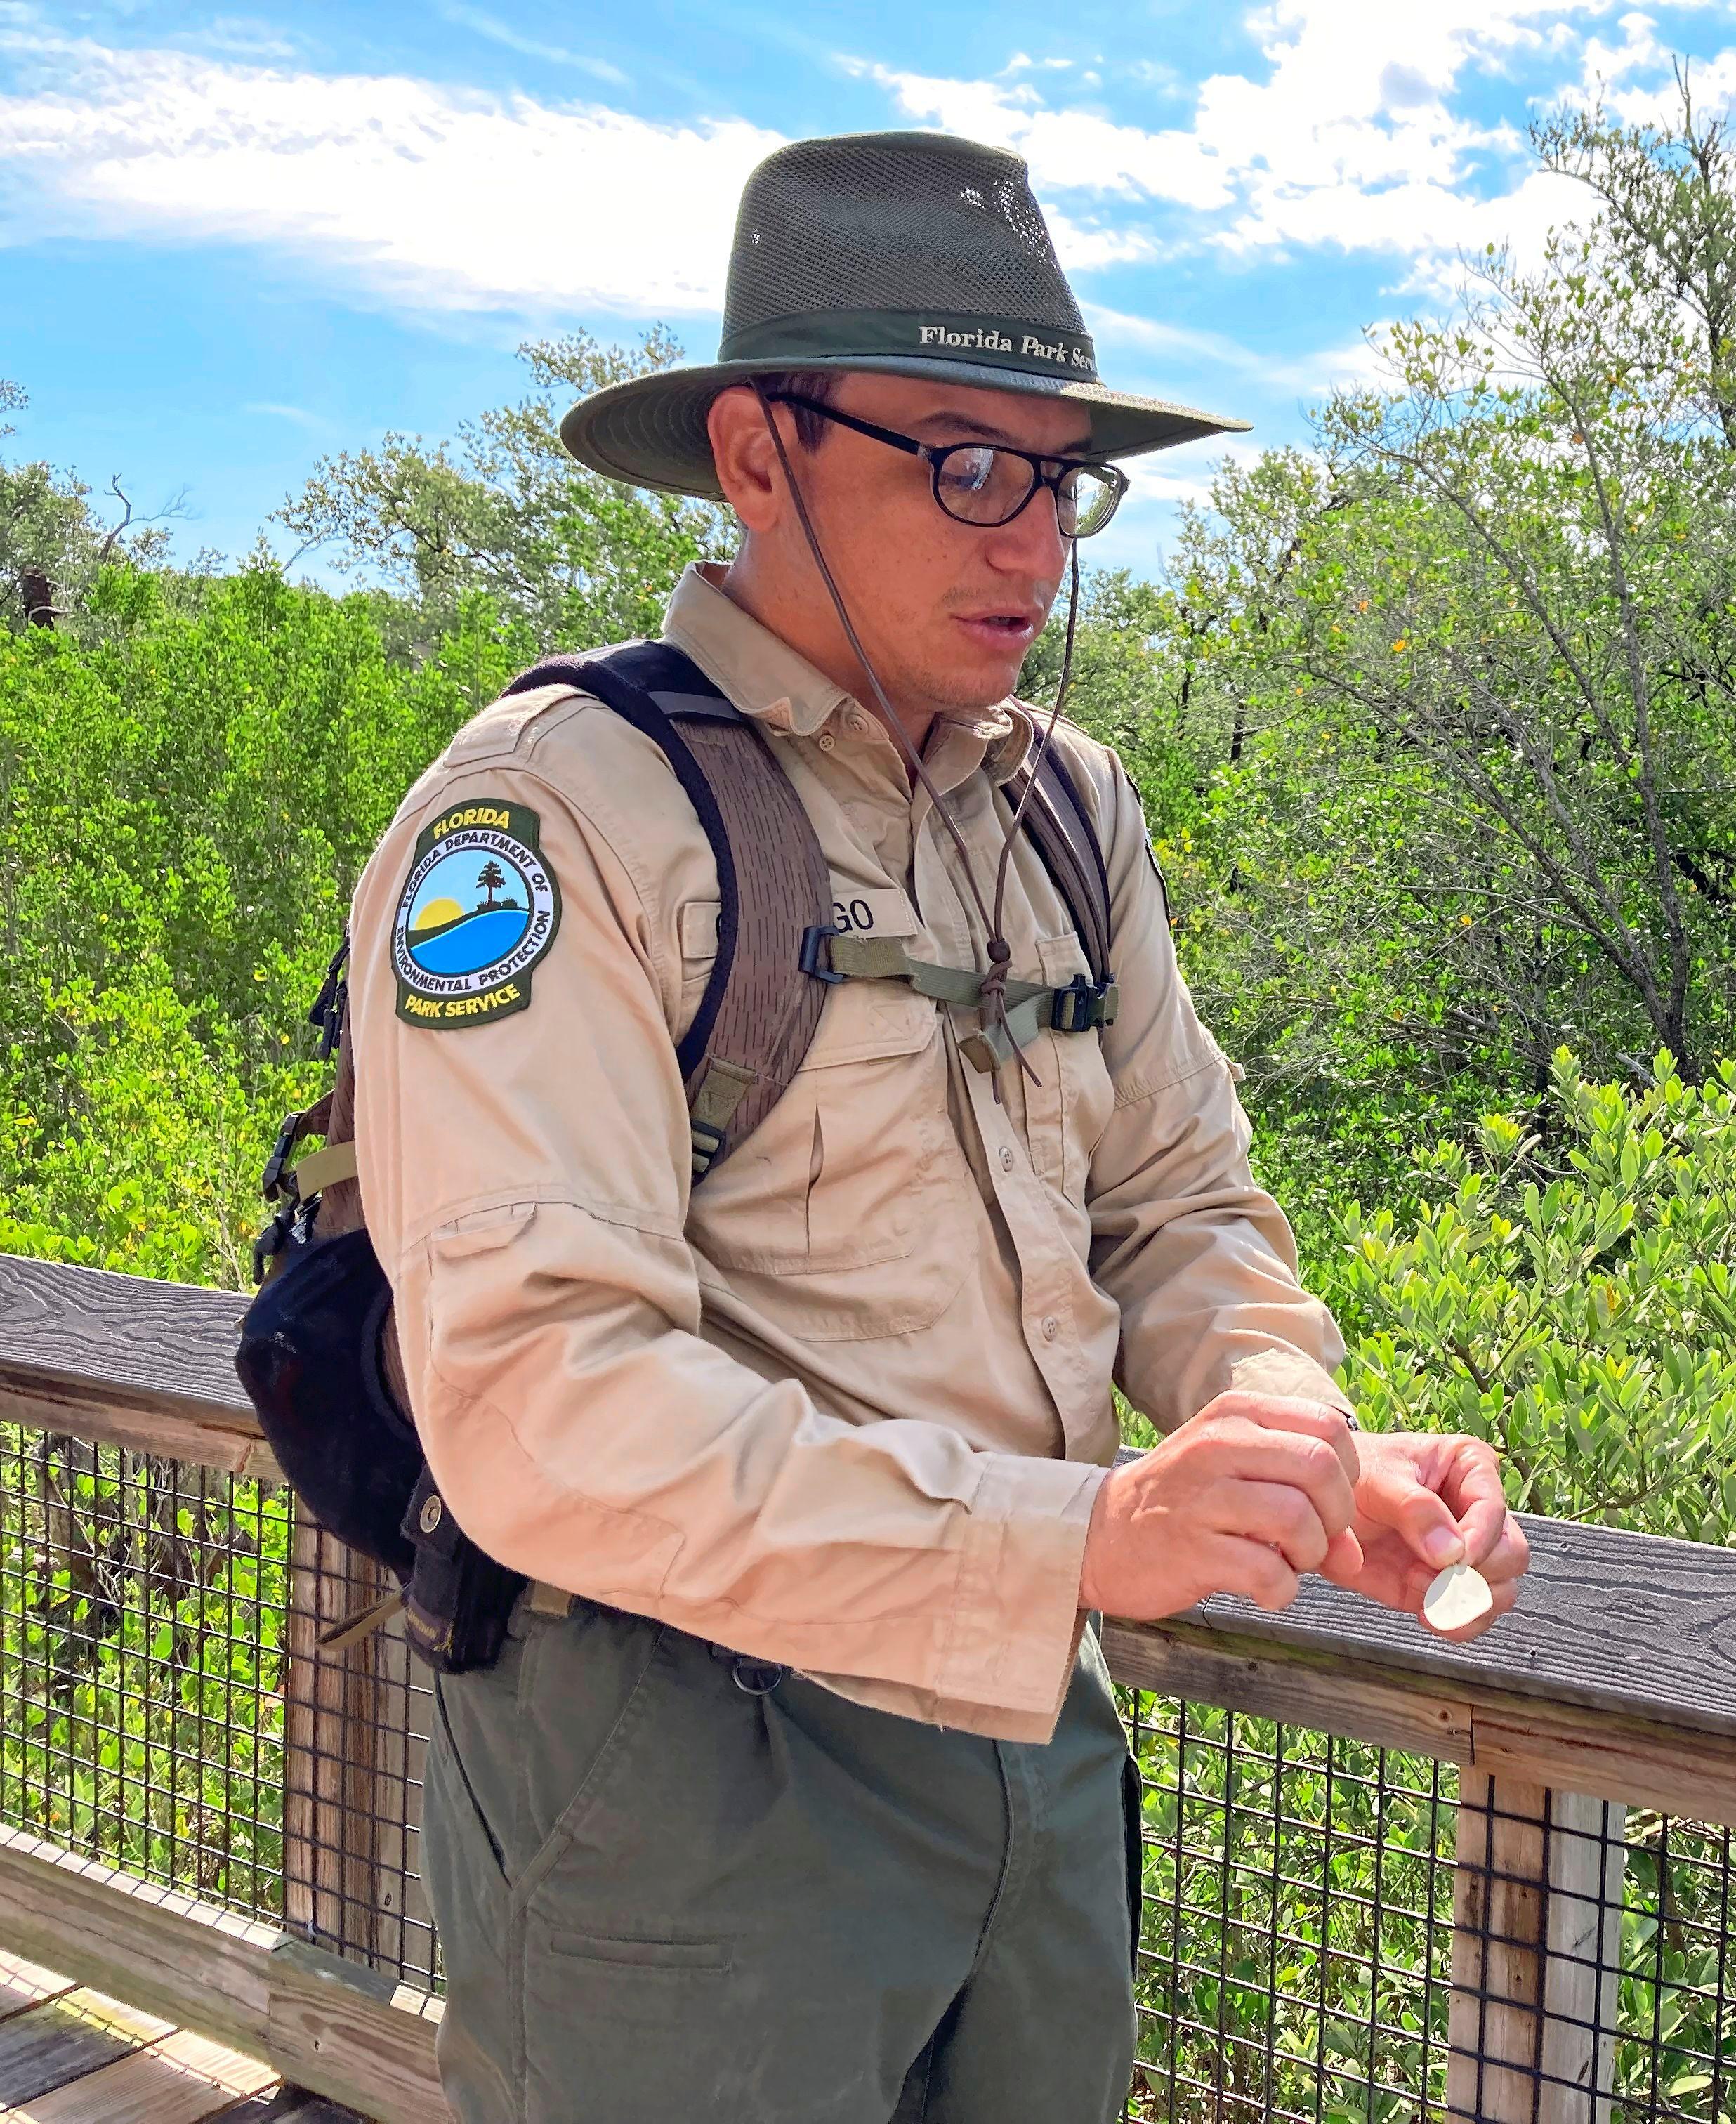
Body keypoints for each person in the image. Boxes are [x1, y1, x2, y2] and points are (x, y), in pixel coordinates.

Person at [345, 129, 1530, 2123]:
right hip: (679, 1774)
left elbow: (1177, 1205)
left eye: (1059, 477)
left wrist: (1282, 1435)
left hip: (1036, 1738)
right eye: (964, 466)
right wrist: (1088, 1534)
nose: (1032, 542)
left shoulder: (1066, 805)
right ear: (753, 454)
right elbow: (543, 1404)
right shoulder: (554, 816)